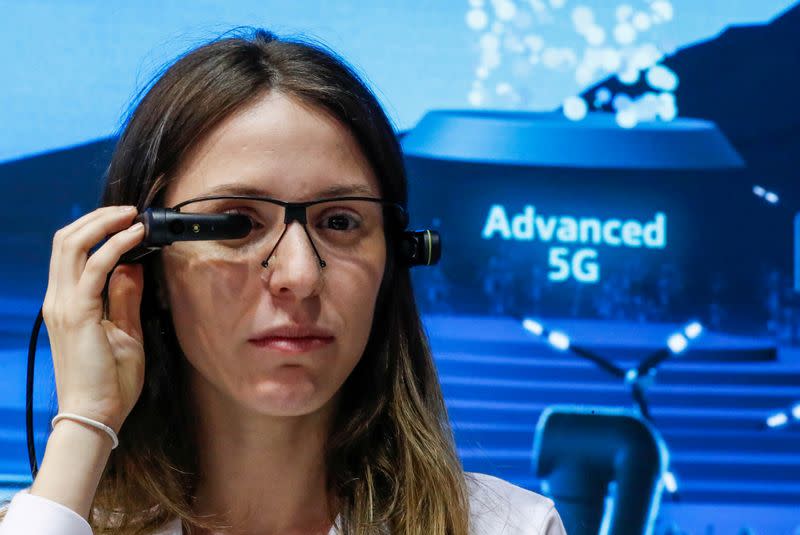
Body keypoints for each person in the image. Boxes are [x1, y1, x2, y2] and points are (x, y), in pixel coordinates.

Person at [0, 29, 566, 535]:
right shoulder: (54, 517)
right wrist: (86, 424)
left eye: (340, 222)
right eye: (239, 224)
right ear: (145, 262)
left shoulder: (507, 526)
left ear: (395, 261)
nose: (297, 276)